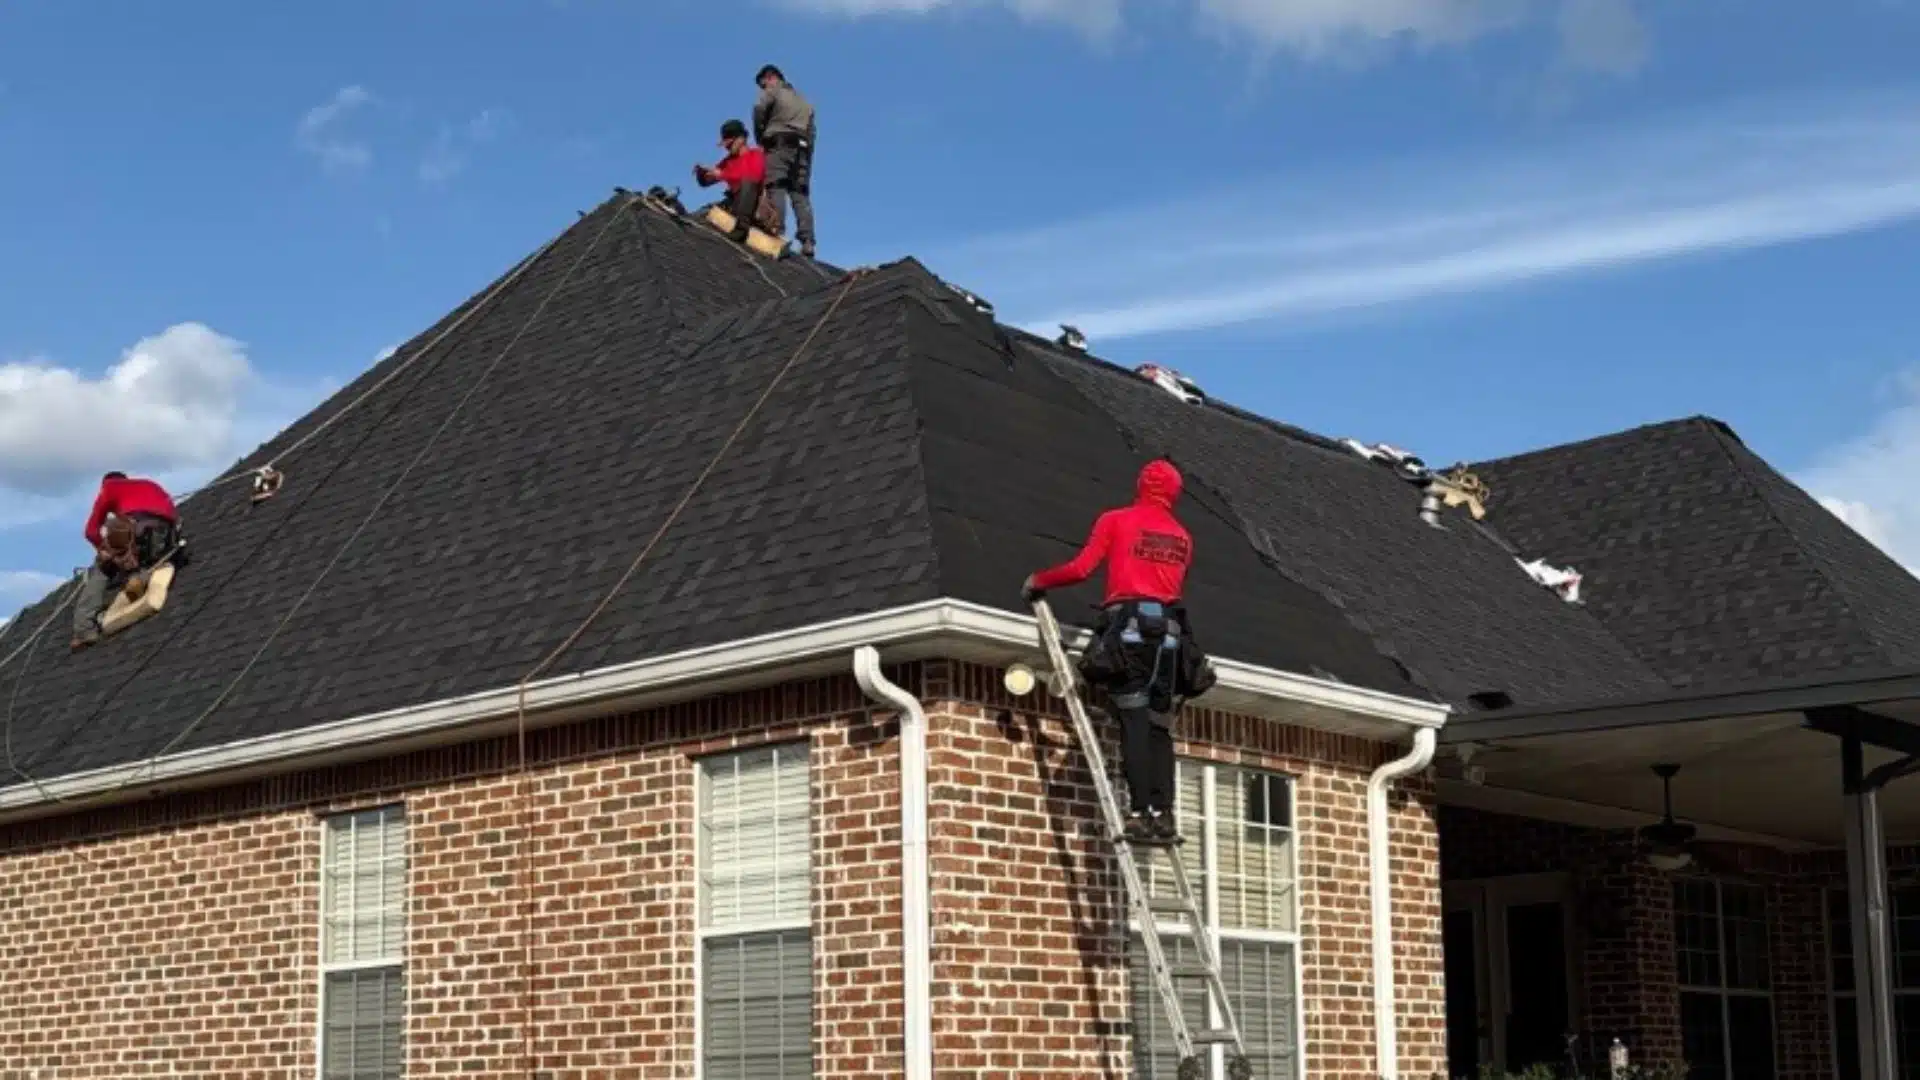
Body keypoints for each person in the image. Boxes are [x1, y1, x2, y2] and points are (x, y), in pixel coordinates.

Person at [1022, 459, 1212, 842]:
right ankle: (1165, 813)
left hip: (1129, 635)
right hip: (1170, 641)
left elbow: (1081, 569)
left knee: (1134, 724)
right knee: (1159, 728)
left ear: (1141, 484)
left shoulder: (1117, 520)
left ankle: (1140, 812)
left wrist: (1038, 581)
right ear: (1174, 492)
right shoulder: (1182, 536)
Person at [72, 471, 182, 650]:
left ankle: (84, 630)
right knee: (148, 559)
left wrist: (104, 551)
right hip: (166, 534)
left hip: (137, 525)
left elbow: (91, 531)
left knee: (102, 565)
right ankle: (138, 579)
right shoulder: (148, 484)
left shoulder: (110, 488)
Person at [752, 64, 817, 258]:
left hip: (779, 145)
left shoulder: (774, 90)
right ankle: (807, 241)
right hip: (803, 149)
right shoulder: (805, 102)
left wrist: (761, 137)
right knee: (800, 193)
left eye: (762, 84)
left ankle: (776, 232)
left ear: (770, 78)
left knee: (776, 186)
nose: (763, 89)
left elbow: (758, 109)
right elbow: (812, 133)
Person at [693, 119, 778, 243]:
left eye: (730, 144)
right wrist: (701, 173)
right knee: (705, 212)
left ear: (741, 139)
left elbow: (751, 177)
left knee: (748, 184)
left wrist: (722, 174)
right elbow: (706, 182)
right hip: (735, 206)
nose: (727, 148)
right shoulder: (728, 161)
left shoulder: (756, 155)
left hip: (756, 210)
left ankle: (741, 230)